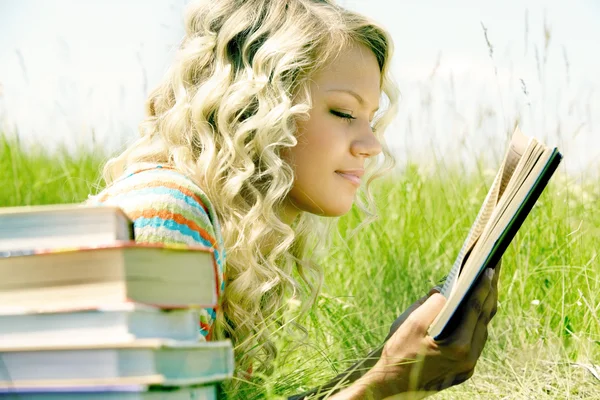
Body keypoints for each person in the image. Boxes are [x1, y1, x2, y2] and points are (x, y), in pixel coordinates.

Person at [88, 0, 500, 398]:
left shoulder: (230, 234)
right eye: (343, 113)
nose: (372, 145)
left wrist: (386, 364)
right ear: (255, 109)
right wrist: (388, 380)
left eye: (371, 119)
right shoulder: (168, 213)